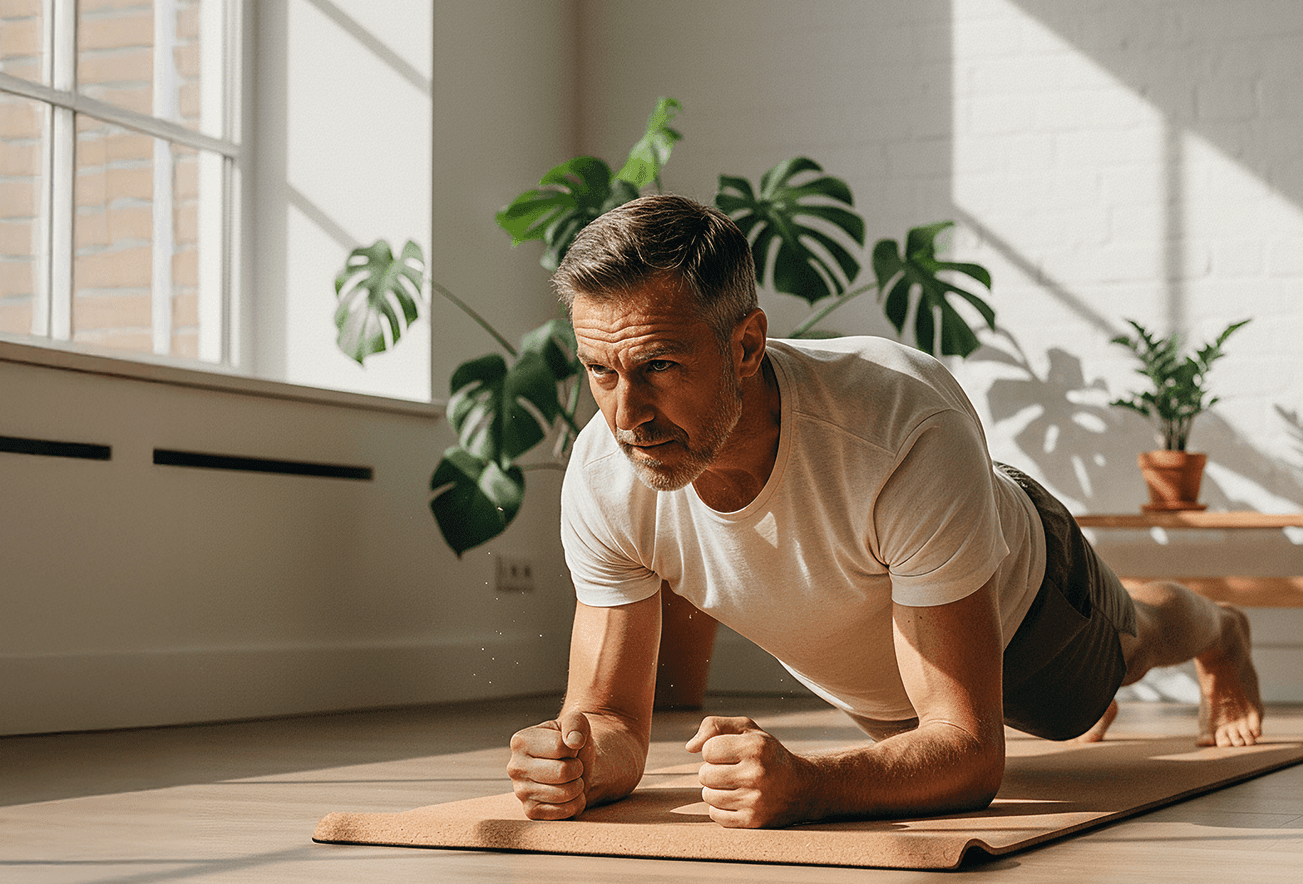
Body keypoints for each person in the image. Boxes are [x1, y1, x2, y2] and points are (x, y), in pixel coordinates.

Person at [506, 194, 1263, 829]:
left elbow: (968, 751)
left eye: (659, 367)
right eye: (599, 372)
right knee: (908, 760)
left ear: (746, 345)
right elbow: (609, 720)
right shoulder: (605, 475)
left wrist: (806, 785)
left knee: (1120, 658)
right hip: (886, 678)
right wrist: (573, 759)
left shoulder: (898, 424)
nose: (625, 415)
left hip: (1023, 608)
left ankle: (1221, 632)